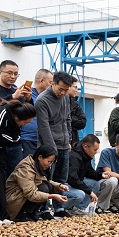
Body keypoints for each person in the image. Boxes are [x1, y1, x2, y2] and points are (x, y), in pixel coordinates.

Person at [36, 71, 75, 216]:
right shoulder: (42, 100)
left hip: (64, 144)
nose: (63, 93)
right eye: (61, 89)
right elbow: (43, 126)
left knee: (61, 179)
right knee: (46, 179)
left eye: (66, 90)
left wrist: (68, 139)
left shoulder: (65, 97)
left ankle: (59, 208)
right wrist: (51, 150)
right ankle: (44, 209)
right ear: (53, 83)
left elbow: (67, 119)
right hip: (48, 147)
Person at [5, 145, 69, 222]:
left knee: (47, 186)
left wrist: (59, 186)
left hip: (23, 196)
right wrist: (52, 196)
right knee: (44, 188)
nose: (50, 165)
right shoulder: (26, 169)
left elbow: (44, 181)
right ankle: (22, 214)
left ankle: (31, 213)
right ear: (40, 157)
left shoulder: (36, 165)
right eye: (49, 162)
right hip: (14, 200)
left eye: (52, 162)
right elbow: (31, 194)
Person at [68, 134, 119, 215]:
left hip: (78, 181)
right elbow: (73, 179)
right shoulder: (74, 157)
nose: (96, 152)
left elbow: (89, 172)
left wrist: (101, 175)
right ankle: (62, 208)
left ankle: (79, 208)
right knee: (80, 195)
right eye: (95, 150)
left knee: (95, 184)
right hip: (66, 184)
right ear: (85, 147)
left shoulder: (85, 155)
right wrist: (89, 192)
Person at [19, 69, 52, 159]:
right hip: (27, 139)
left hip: (42, 140)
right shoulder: (26, 95)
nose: (52, 86)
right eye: (50, 82)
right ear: (41, 81)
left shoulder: (47, 98)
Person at [68, 79, 87, 145]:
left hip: (74, 142)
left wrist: (69, 118)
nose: (77, 90)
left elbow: (83, 122)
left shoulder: (75, 104)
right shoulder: (58, 102)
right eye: (75, 87)